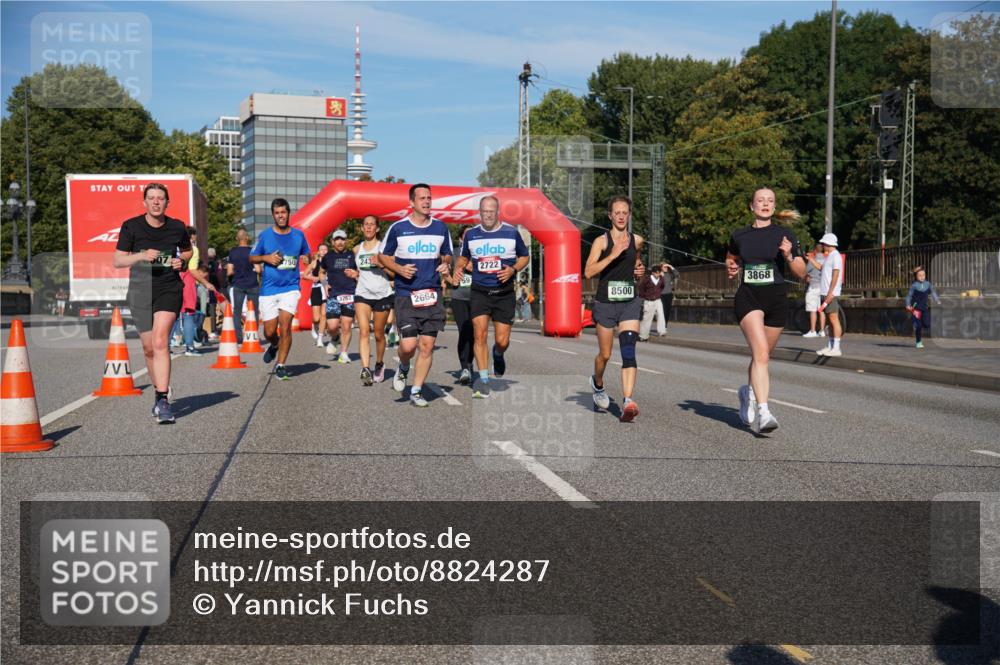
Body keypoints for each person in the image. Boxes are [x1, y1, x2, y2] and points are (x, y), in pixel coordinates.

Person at [726, 187, 806, 433]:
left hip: (777, 300)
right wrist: (731, 268)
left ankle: (746, 394)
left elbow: (802, 273)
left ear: (774, 206)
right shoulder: (739, 236)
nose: (765, 204)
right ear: (752, 206)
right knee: (761, 354)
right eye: (760, 200)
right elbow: (731, 259)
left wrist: (789, 255)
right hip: (749, 298)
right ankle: (764, 411)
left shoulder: (785, 235)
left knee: (761, 356)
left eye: (770, 200)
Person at [113, 182, 192, 423]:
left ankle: (162, 399)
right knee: (149, 348)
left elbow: (187, 251)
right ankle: (160, 390)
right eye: (152, 198)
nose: (156, 202)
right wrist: (141, 256)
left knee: (160, 341)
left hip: (169, 287)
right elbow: (118, 260)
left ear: (167, 203)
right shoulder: (131, 227)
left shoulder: (177, 227)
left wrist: (182, 262)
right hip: (140, 290)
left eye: (161, 198)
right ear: (144, 202)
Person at [377, 183, 453, 407]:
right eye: (422, 198)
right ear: (411, 203)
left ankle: (417, 390)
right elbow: (383, 256)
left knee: (427, 346)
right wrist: (399, 269)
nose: (427, 202)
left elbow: (447, 254)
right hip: (406, 294)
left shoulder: (440, 228)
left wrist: (445, 265)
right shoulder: (399, 228)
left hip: (432, 294)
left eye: (429, 198)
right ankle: (403, 365)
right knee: (409, 346)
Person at [452, 196, 530, 398]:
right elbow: (464, 256)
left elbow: (524, 256)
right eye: (484, 211)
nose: (488, 215)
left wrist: (512, 269)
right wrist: (459, 267)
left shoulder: (511, 232)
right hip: (480, 292)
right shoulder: (472, 235)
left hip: (504, 294)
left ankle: (498, 353)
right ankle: (483, 380)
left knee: (502, 340)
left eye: (491, 211)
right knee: (480, 334)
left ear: (497, 212)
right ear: (480, 212)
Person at [583, 195, 645, 423]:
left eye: (625, 212)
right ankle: (597, 383)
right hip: (606, 303)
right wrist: (612, 255)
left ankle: (628, 401)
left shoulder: (637, 240)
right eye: (616, 212)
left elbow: (636, 262)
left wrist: (639, 270)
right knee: (605, 354)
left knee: (628, 349)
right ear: (610, 215)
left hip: (629, 301)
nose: (621, 216)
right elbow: (588, 272)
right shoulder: (602, 241)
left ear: (629, 214)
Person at [250, 197, 311, 380]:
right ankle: (274, 345)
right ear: (273, 215)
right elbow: (252, 258)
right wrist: (266, 258)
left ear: (288, 213)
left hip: (290, 288)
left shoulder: (298, 235)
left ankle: (282, 365)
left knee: (285, 327)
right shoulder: (265, 236)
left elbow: (307, 253)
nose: (280, 216)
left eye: (283, 212)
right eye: (277, 213)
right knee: (269, 332)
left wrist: (308, 259)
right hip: (269, 289)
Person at [354, 215, 395, 385]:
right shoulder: (357, 249)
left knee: (378, 333)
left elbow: (394, 274)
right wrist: (353, 274)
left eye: (372, 225)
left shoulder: (384, 249)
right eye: (366, 225)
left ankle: (379, 363)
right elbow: (360, 272)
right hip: (362, 294)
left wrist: (382, 265)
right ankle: (365, 368)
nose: (369, 227)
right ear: (362, 228)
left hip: (382, 294)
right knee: (364, 331)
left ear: (377, 228)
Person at [322, 229, 359, 364]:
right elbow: (321, 272)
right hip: (333, 295)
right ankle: (335, 337)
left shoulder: (352, 255)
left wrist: (356, 274)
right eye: (337, 239)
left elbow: (359, 271)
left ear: (346, 241)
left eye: (342, 239)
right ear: (332, 242)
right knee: (332, 326)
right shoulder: (328, 257)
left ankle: (344, 353)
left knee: (347, 325)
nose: (340, 242)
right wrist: (325, 283)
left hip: (349, 293)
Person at [450, 227, 475, 384]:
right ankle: (465, 366)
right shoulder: (454, 253)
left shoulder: (481, 252)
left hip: (478, 298)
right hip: (459, 297)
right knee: (464, 331)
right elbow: (446, 274)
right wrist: (451, 279)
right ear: (460, 238)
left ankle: (471, 363)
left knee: (476, 334)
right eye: (466, 235)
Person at [227, 228, 260, 344]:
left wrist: (232, 276)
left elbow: (229, 271)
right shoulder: (253, 251)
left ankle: (239, 338)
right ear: (247, 238)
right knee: (254, 311)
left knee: (237, 311)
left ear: (237, 239)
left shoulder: (233, 252)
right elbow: (258, 269)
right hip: (252, 284)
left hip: (238, 284)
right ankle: (253, 335)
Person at [815, 232, 844, 357]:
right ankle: (831, 345)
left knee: (834, 319)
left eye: (824, 243)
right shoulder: (830, 256)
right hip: (826, 293)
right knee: (830, 320)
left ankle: (836, 347)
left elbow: (836, 275)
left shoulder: (835, 256)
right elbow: (822, 269)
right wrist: (809, 259)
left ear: (828, 244)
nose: (822, 245)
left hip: (829, 294)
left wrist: (830, 293)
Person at [905, 266, 941, 349]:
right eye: (920, 275)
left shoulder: (928, 284)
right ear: (916, 276)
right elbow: (909, 296)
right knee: (918, 326)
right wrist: (907, 304)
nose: (922, 277)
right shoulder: (914, 286)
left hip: (924, 308)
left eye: (923, 275)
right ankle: (918, 342)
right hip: (915, 308)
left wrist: (937, 300)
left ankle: (919, 324)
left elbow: (933, 292)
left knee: (927, 324)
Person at [304, 243, 328, 348]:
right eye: (321, 249)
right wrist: (312, 278)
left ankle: (320, 339)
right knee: (316, 318)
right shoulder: (314, 262)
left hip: (327, 288)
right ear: (318, 252)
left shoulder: (331, 262)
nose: (323, 251)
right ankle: (314, 325)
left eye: (325, 249)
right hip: (317, 289)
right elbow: (305, 274)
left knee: (324, 315)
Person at [803, 243, 826, 337]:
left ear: (815, 250)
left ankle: (812, 331)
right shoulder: (826, 260)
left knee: (813, 310)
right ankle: (822, 331)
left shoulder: (813, 261)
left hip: (813, 287)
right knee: (821, 310)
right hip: (823, 288)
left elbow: (805, 271)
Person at [638, 265, 666, 340]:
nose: (657, 274)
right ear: (653, 273)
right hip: (649, 301)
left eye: (659, 273)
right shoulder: (647, 279)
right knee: (647, 318)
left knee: (661, 315)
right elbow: (641, 288)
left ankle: (662, 331)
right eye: (656, 273)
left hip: (658, 300)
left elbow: (663, 286)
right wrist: (645, 297)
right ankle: (643, 335)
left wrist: (662, 277)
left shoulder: (661, 279)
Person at [659, 262, 678, 332]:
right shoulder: (659, 274)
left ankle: (665, 326)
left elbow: (677, 274)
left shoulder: (669, 274)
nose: (666, 268)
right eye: (664, 267)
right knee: (662, 311)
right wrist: (660, 276)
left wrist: (670, 266)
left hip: (669, 294)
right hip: (661, 295)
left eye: (666, 267)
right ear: (661, 268)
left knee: (667, 311)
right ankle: (662, 327)